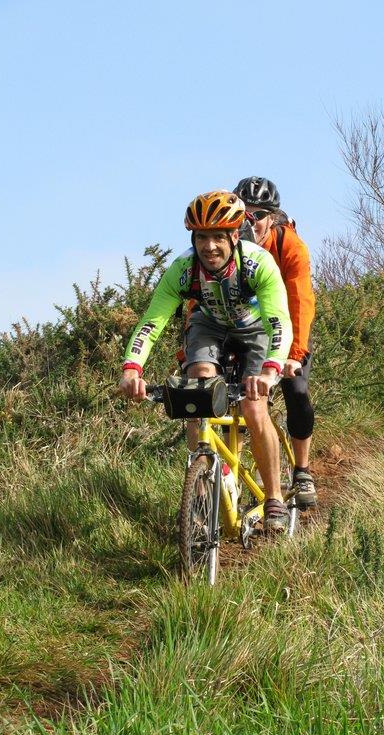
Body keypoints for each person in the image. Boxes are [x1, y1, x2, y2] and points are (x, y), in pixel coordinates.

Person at [119, 190, 294, 533]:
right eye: (201, 237)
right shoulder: (183, 270)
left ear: (234, 236)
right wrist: (131, 368)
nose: (209, 246)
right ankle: (204, 491)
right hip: (209, 325)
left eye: (217, 237)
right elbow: (152, 322)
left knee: (254, 406)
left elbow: (278, 321)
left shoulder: (258, 264)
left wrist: (270, 370)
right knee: (196, 389)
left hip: (255, 328)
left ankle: (274, 497)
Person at [234, 177, 317, 507]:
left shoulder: (289, 246)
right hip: (245, 328)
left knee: (296, 390)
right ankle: (229, 476)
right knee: (234, 395)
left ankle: (302, 470)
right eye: (245, 214)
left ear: (273, 218)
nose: (251, 222)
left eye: (259, 215)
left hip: (287, 327)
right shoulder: (226, 243)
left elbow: (300, 300)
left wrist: (294, 354)